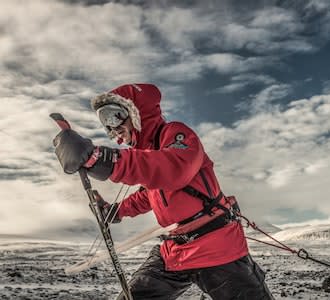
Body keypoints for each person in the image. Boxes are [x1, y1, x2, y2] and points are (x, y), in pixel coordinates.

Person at [52, 83, 274, 299]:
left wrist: (102, 159)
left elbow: (174, 168)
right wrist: (116, 211)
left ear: (137, 112)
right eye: (105, 122)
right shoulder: (149, 157)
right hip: (175, 250)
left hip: (216, 246)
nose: (112, 127)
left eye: (114, 115)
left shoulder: (177, 134)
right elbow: (148, 195)